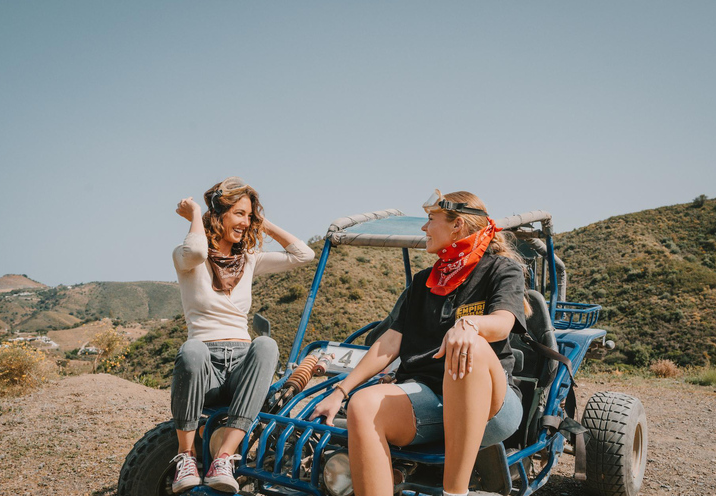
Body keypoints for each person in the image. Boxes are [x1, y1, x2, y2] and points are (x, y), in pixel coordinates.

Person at [311, 190, 529, 496]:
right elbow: (389, 343)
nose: (424, 229)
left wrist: (468, 325)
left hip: (490, 406)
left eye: (430, 220)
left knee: (470, 345)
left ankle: (455, 492)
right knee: (362, 405)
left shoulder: (500, 270)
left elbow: (503, 323)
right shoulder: (424, 281)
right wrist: (340, 391)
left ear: (458, 226)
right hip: (431, 400)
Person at [170, 177, 315, 494]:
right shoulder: (186, 257)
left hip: (240, 367)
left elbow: (303, 255)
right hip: (204, 366)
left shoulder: (249, 260)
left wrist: (262, 222)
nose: (245, 222)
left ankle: (224, 457)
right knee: (191, 350)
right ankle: (186, 457)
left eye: (249, 215)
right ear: (218, 214)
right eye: (238, 213)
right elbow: (196, 250)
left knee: (265, 345)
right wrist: (196, 213)